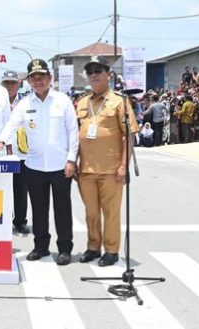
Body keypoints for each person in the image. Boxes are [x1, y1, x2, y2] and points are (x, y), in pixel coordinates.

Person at [0, 59, 78, 266]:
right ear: (29, 81)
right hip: (34, 166)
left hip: (60, 166)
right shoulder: (25, 104)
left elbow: (73, 132)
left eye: (42, 77)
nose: (38, 81)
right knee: (38, 210)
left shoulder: (63, 101)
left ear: (50, 78)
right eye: (34, 78)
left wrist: (71, 160)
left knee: (62, 210)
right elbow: (11, 126)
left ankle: (65, 249)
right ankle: (41, 247)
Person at [75, 58, 139, 266]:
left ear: (108, 75)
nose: (93, 74)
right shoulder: (83, 102)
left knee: (111, 212)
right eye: (90, 71)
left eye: (98, 70)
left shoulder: (120, 101)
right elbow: (75, 134)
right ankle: (93, 247)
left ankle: (111, 250)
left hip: (111, 169)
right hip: (86, 169)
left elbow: (129, 136)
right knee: (91, 212)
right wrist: (73, 161)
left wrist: (123, 166)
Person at [1, 70, 29, 235]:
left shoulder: (25, 103)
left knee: (20, 189)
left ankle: (20, 221)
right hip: (0, 153)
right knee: (1, 189)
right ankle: (2, 220)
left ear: (19, 84)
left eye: (13, 82)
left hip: (20, 153)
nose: (10, 85)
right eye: (6, 83)